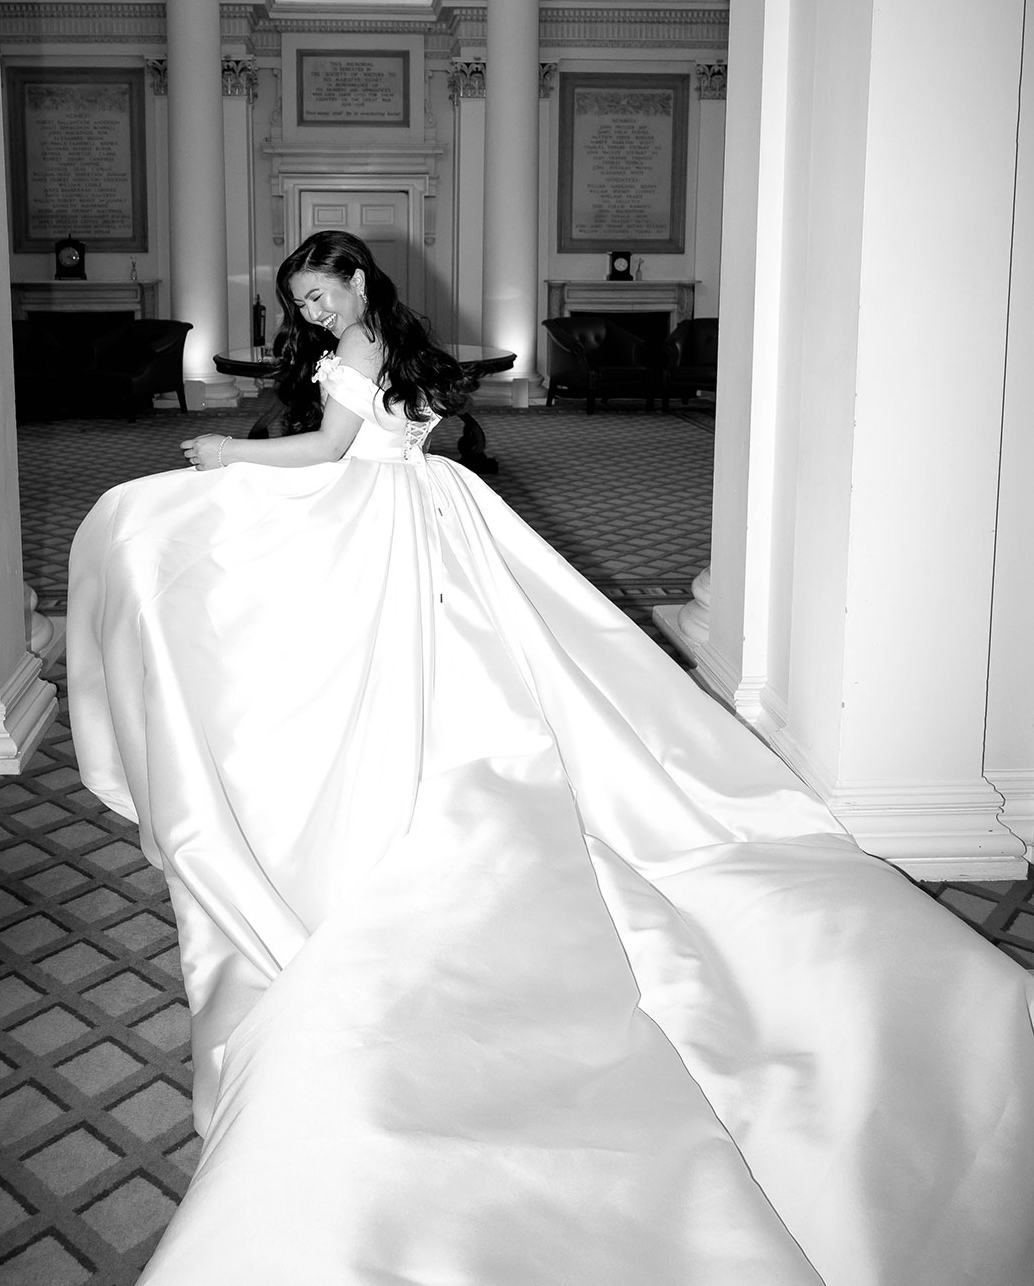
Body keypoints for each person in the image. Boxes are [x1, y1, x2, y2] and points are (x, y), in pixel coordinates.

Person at [68, 233, 1034, 1286]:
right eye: (301, 301)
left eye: (323, 293)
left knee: (215, 562)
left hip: (388, 521)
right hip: (425, 517)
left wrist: (228, 457)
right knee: (465, 672)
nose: (317, 312)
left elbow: (333, 455)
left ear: (356, 282)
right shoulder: (384, 339)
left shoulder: (360, 353)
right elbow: (393, 437)